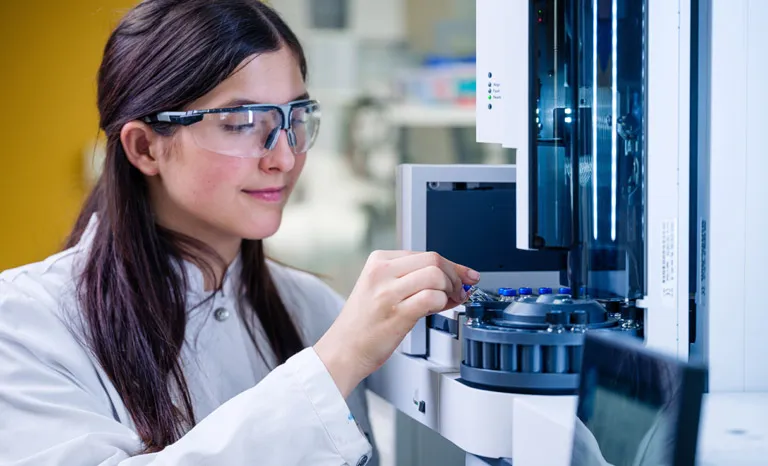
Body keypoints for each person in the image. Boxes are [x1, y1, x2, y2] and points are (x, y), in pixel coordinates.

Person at [0, 1, 479, 465]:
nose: (284, 159)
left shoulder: (310, 306)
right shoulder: (27, 323)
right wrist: (339, 358)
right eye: (241, 123)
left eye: (295, 119)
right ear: (145, 147)